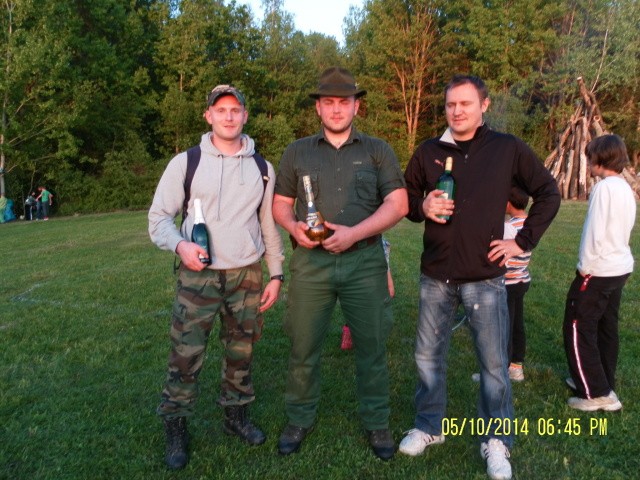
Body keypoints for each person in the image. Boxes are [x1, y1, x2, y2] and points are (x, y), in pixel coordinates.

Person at [402, 74, 560, 480]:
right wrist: (423, 205)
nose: (457, 111)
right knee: (427, 357)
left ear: (484, 105)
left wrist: (521, 241)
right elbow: (406, 199)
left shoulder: (506, 148)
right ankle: (429, 425)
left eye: (465, 104)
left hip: (485, 278)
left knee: (493, 365)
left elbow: (548, 191)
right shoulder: (429, 151)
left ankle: (496, 440)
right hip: (435, 275)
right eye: (451, 104)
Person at [272, 67, 408, 461]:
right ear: (318, 107)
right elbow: (280, 204)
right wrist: (293, 227)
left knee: (372, 346)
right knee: (303, 345)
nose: (336, 109)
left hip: (364, 261)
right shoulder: (297, 151)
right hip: (310, 263)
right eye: (328, 102)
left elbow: (398, 204)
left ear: (356, 106)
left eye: (343, 102)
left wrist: (354, 233)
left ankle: (377, 422)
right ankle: (299, 417)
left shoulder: (378, 150)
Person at [148, 85, 285, 470]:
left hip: (247, 275)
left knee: (242, 352)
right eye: (220, 110)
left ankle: (236, 416)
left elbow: (268, 225)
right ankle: (176, 424)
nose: (228, 116)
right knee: (186, 353)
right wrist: (181, 246)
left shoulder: (262, 168)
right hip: (199, 277)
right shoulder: (186, 163)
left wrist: (276, 273)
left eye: (235, 110)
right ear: (208, 116)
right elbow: (158, 219)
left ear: (244, 116)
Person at [563, 134, 635, 412]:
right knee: (606, 327)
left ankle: (596, 393)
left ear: (600, 158)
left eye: (590, 155)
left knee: (577, 326)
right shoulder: (625, 188)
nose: (589, 160)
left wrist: (585, 269)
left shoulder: (604, 188)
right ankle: (600, 379)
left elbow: (594, 233)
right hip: (618, 267)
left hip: (598, 269)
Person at [341, 236, 394, 350]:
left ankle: (369, 332)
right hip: (351, 260)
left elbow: (384, 259)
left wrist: (389, 280)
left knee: (372, 303)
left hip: (372, 258)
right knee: (355, 301)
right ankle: (349, 329)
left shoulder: (379, 243)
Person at [503, 187, 532, 382]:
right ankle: (516, 366)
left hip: (508, 282)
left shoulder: (509, 227)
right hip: (522, 280)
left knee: (504, 326)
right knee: (517, 324)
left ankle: (500, 369)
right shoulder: (529, 223)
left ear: (508, 203)